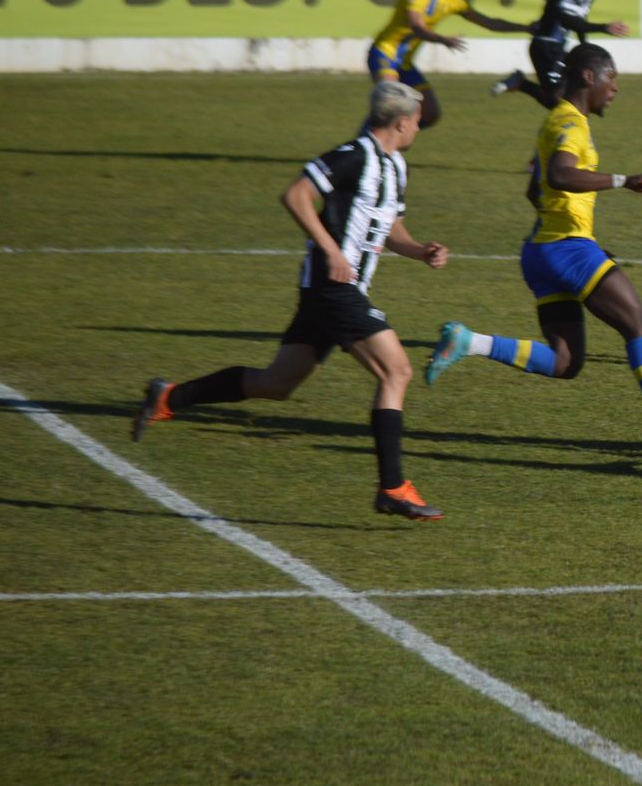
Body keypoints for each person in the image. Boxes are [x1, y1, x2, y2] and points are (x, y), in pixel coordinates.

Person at [134, 81, 452, 520]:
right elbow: (296, 195)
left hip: (341, 290)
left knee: (277, 384)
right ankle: (393, 487)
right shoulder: (353, 155)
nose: (419, 127)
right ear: (401, 122)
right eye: (417, 121)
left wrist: (420, 251)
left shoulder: (397, 167)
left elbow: (390, 227)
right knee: (397, 370)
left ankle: (169, 397)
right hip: (331, 286)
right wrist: (331, 250)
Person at [425, 44, 642, 450]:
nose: (615, 87)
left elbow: (535, 189)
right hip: (565, 249)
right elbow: (561, 174)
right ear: (589, 76)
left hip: (542, 250)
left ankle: (468, 341)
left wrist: (575, 235)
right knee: (639, 323)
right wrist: (626, 181)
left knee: (565, 363)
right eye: (612, 77)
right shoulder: (570, 122)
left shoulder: (555, 121)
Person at [368, 0, 534, 129]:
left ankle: (391, 140)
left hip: (404, 64)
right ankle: (370, 145)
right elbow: (417, 27)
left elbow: (489, 23)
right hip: (384, 52)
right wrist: (443, 40)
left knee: (430, 113)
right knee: (389, 104)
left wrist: (526, 27)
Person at [493, 0, 631, 106]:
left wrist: (584, 46)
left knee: (575, 93)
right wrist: (603, 28)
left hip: (560, 46)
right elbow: (565, 18)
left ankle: (523, 85)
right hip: (546, 45)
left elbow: (580, 16)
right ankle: (522, 83)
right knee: (559, 100)